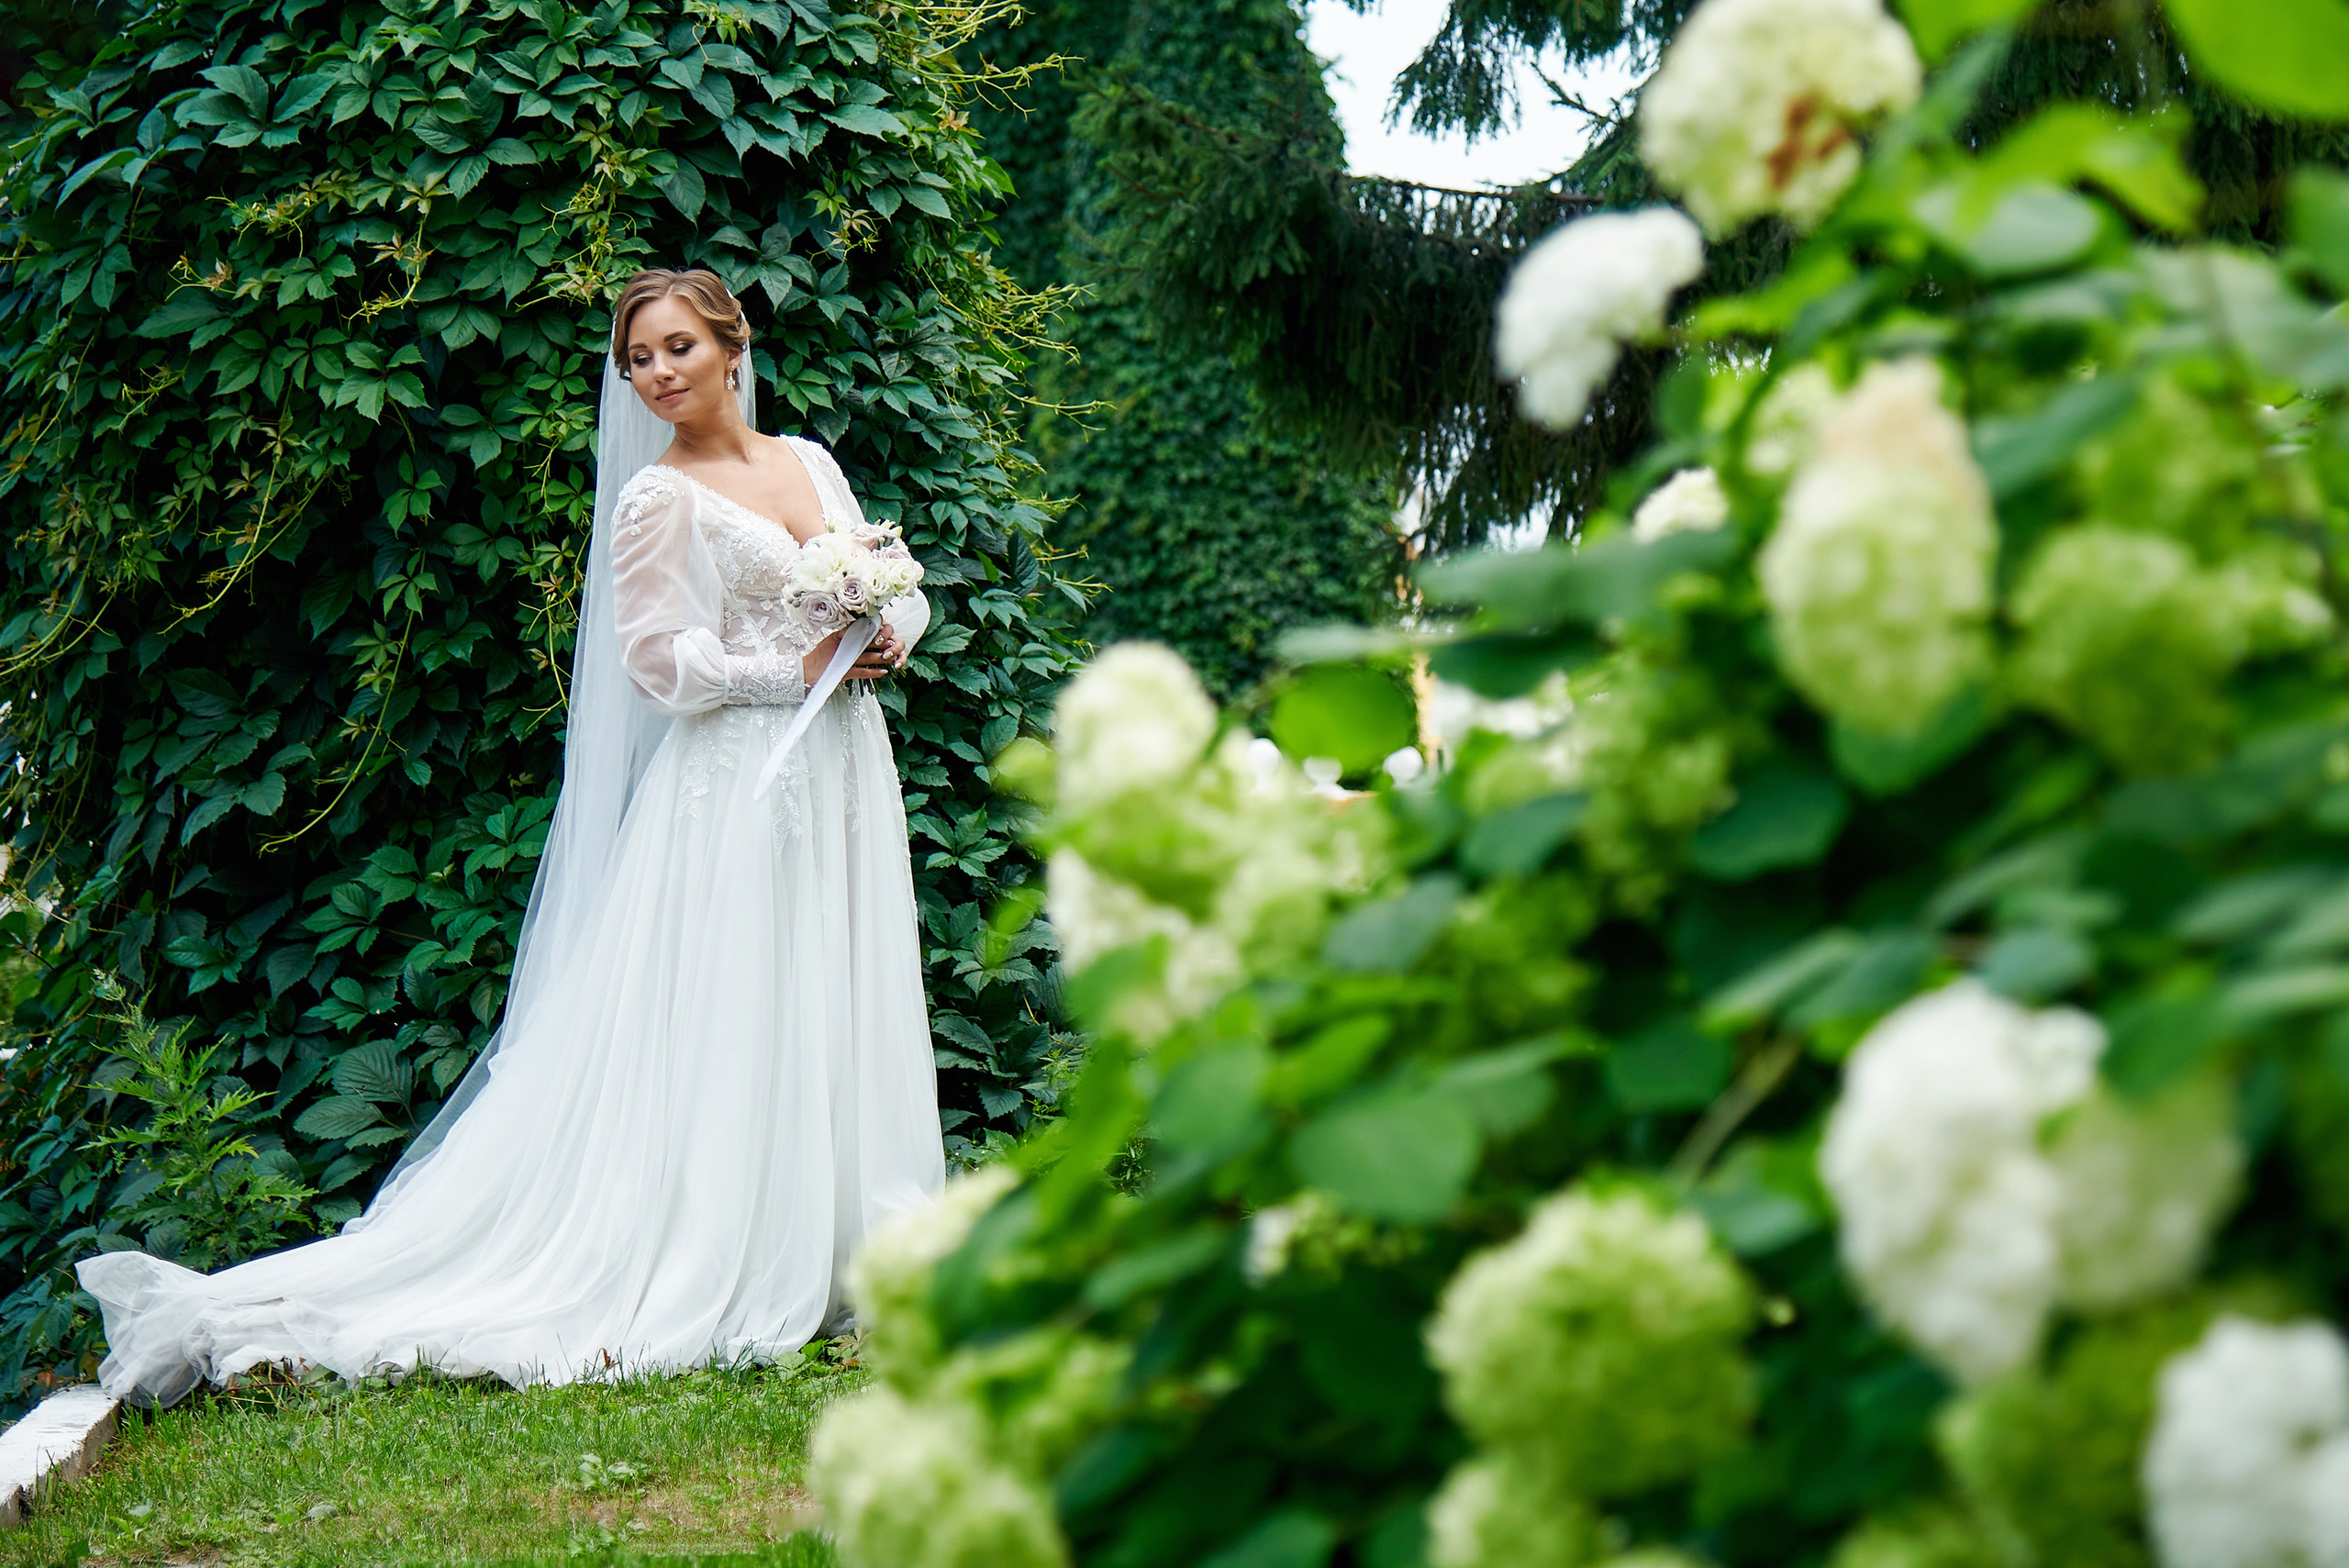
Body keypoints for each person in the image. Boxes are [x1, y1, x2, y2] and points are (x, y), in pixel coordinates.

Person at [76, 268, 946, 1406]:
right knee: (745, 1000)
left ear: (733, 346)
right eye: (639, 358)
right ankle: (732, 1245)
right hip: (734, 787)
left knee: (838, 985)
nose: (657, 373)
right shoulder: (657, 500)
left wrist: (889, 634)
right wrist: (792, 673)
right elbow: (659, 663)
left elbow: (890, 581)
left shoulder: (810, 462)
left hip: (841, 771)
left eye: (678, 347)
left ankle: (853, 1247)